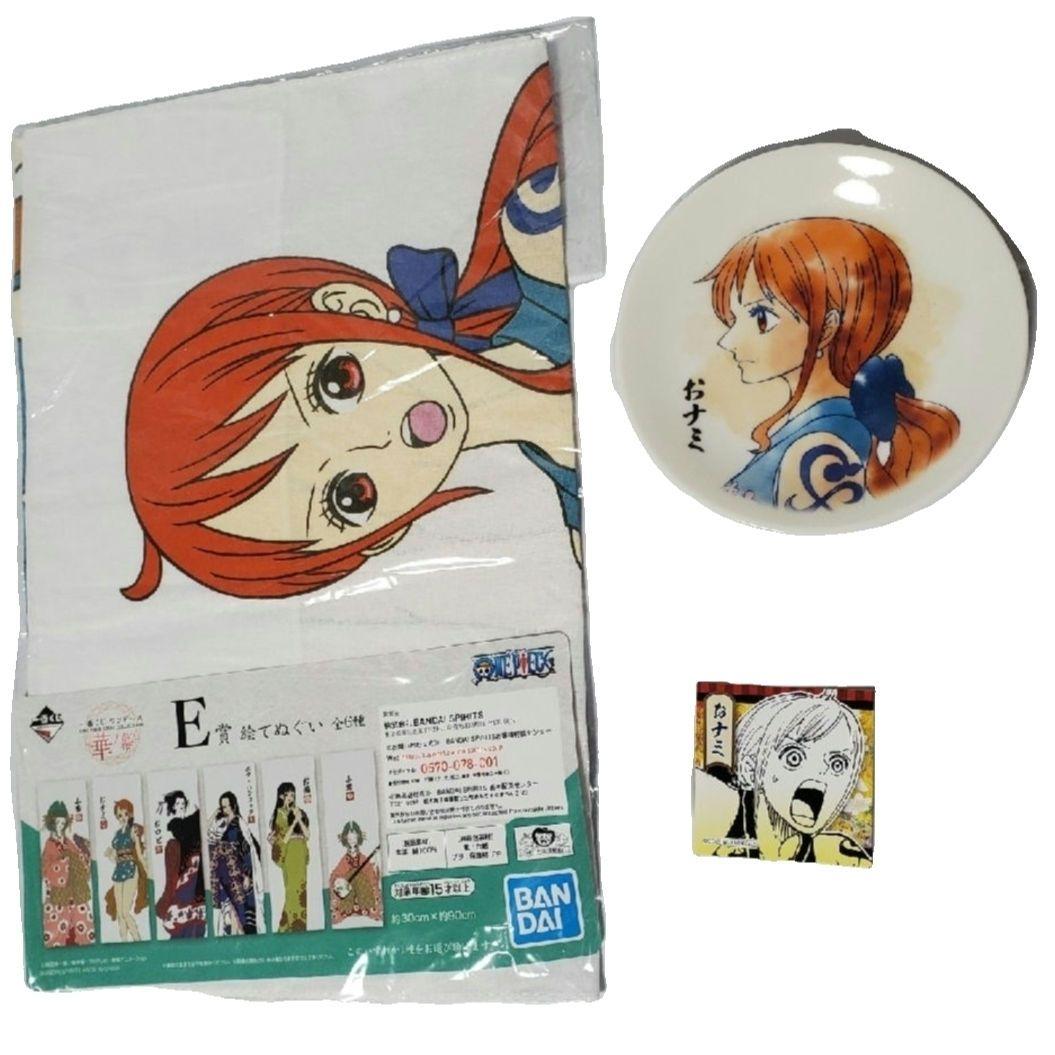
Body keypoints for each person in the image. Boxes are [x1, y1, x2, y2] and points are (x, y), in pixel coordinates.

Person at [121, 64, 582, 602]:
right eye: (351, 496)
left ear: (351, 306)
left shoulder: (536, 224)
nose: (377, 440)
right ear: (385, 536)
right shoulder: (587, 531)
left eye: (338, 383)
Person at [703, 217, 959, 509]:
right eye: (733, 319)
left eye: (761, 317)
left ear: (827, 328)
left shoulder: (820, 450)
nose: (728, 340)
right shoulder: (817, 429)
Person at [694, 690, 871, 865]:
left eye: (837, 764)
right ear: (750, 768)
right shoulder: (722, 809)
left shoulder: (837, 853)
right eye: (793, 758)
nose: (819, 779)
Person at [207, 791, 263, 936]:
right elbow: (206, 834)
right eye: (222, 807)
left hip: (239, 873)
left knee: (243, 914)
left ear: (233, 806)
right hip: (224, 875)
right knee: (228, 916)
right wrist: (214, 814)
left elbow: (247, 851)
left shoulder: (239, 824)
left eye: (226, 806)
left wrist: (247, 875)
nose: (224, 809)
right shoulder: (220, 824)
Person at [40, 801, 95, 947]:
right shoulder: (49, 845)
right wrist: (64, 862)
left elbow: (79, 859)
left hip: (75, 892)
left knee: (82, 924)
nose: (60, 826)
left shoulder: (68, 842)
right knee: (56, 928)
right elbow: (46, 869)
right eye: (57, 823)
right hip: (59, 895)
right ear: (52, 823)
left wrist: (83, 854)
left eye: (63, 823)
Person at [155, 790, 206, 939]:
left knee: (196, 917)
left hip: (196, 873)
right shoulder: (175, 826)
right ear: (172, 807)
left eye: (183, 802)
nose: (181, 805)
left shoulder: (191, 823)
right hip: (184, 875)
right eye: (177, 803)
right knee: (184, 911)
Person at [268, 782, 310, 933]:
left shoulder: (297, 810)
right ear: (281, 796)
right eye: (289, 795)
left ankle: (295, 926)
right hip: (289, 852)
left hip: (300, 850)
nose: (291, 798)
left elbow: (307, 834)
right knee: (292, 890)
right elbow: (281, 837)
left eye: (293, 795)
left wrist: (298, 818)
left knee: (301, 889)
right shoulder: (279, 813)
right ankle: (289, 927)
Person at [103, 798, 148, 941]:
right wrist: (110, 855)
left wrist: (146, 869)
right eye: (120, 815)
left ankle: (137, 939)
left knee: (124, 911)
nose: (123, 818)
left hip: (131, 870)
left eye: (126, 814)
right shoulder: (117, 834)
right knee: (119, 912)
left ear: (130, 814)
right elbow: (116, 858)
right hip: (118, 871)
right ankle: (124, 941)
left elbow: (138, 853)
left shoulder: (133, 831)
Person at [329, 821, 381, 925]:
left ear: (358, 838)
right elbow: (338, 872)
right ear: (346, 839)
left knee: (362, 880)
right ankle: (347, 910)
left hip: (362, 884)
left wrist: (373, 870)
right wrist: (337, 880)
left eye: (354, 839)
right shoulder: (344, 859)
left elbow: (369, 871)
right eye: (350, 839)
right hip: (348, 885)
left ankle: (366, 908)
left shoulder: (362, 857)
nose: (352, 841)